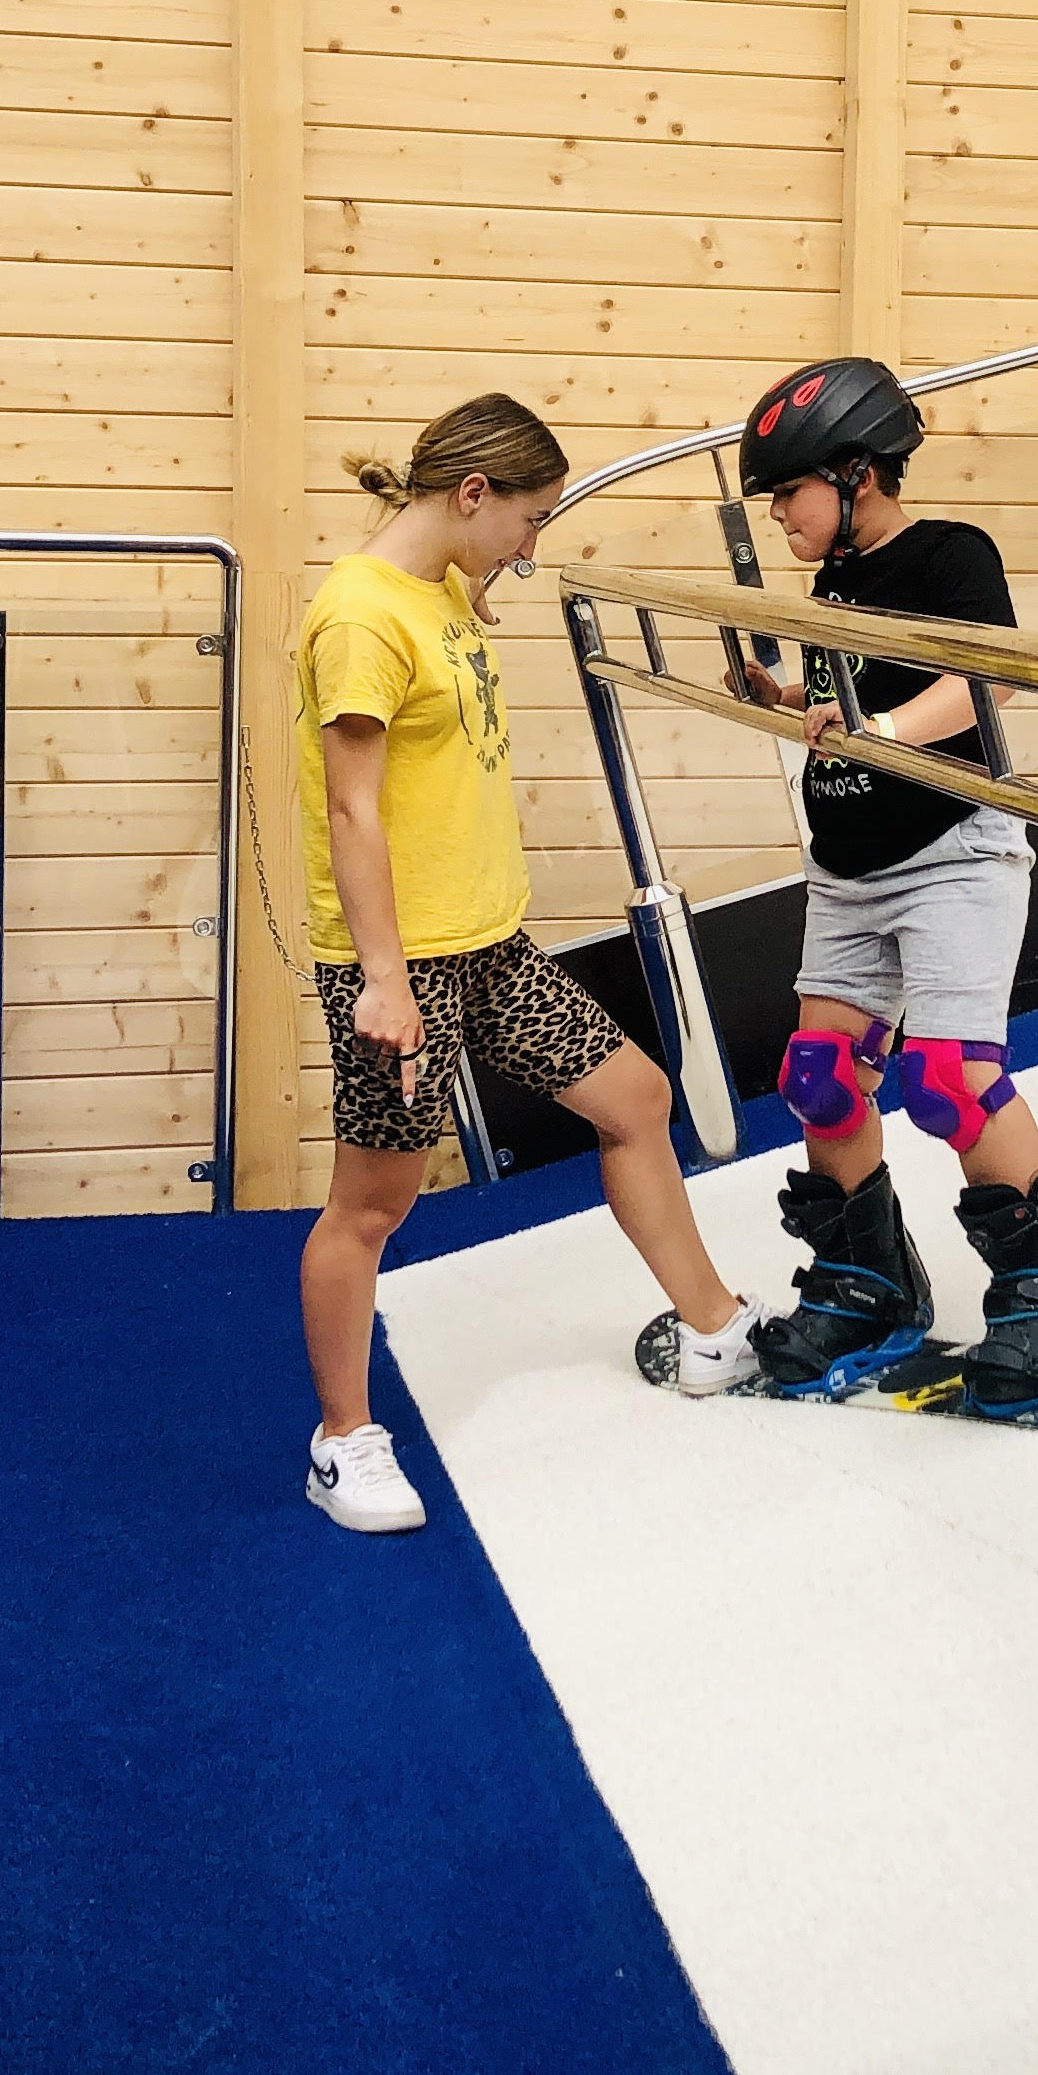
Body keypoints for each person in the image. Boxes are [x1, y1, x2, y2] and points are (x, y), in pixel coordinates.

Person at [292, 395, 775, 1528]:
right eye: (530, 517)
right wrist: (383, 981)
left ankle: (713, 1327)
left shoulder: (438, 589)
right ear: (473, 494)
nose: (532, 543)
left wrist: (481, 575)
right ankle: (342, 1442)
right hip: (405, 963)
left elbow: (457, 631)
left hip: (490, 946)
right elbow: (352, 810)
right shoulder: (360, 618)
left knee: (636, 1099)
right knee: (371, 1207)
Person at [728, 355, 1038, 1417]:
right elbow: (848, 697)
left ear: (856, 475)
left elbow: (988, 672)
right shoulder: (833, 585)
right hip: (847, 864)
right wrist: (784, 696)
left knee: (949, 1078)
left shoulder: (951, 553)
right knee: (819, 1076)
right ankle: (868, 1284)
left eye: (790, 492)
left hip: (953, 849)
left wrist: (886, 730)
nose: (780, 515)